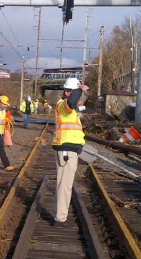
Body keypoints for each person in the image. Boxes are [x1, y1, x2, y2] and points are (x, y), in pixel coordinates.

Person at [52, 78, 88, 229]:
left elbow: (75, 104)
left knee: (65, 184)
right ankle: (60, 219)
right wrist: (80, 89)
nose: (79, 98)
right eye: (75, 93)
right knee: (64, 185)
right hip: (66, 151)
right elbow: (72, 102)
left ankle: (60, 216)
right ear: (68, 92)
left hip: (70, 150)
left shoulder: (69, 109)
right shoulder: (63, 105)